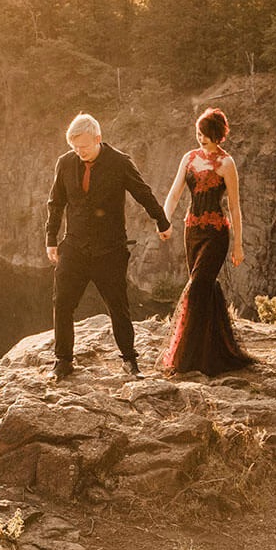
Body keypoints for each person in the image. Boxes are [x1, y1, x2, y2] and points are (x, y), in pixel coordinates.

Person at [45, 113, 172, 380]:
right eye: (75, 147)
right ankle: (63, 361)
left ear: (98, 139)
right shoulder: (65, 163)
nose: (79, 152)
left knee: (118, 306)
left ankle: (130, 360)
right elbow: (56, 203)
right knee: (62, 303)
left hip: (110, 250)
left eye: (84, 146)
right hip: (75, 247)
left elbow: (143, 193)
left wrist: (162, 221)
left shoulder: (120, 163)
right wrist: (51, 239)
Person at [159, 107, 254, 375]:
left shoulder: (226, 163)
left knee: (199, 284)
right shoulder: (189, 158)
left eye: (205, 134)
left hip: (216, 233)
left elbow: (234, 206)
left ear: (217, 135)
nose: (200, 138)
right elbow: (175, 193)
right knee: (204, 288)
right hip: (192, 230)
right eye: (198, 133)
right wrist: (164, 220)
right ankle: (211, 349)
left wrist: (238, 244)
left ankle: (188, 355)